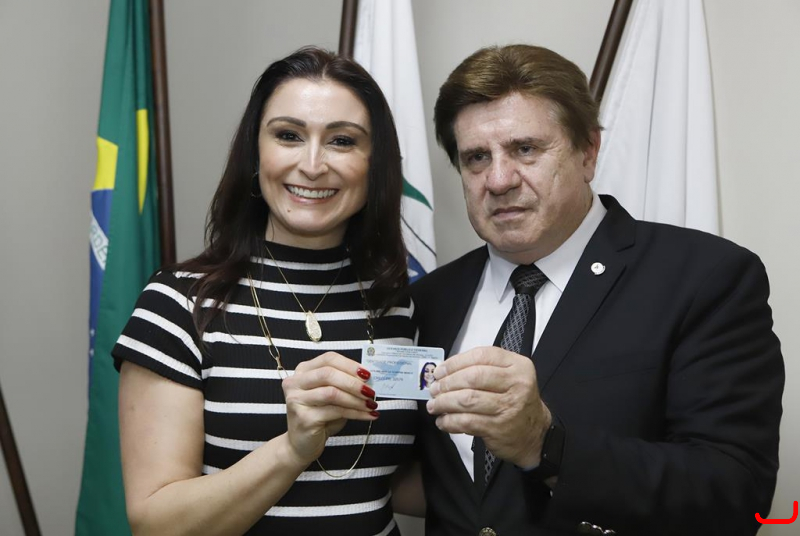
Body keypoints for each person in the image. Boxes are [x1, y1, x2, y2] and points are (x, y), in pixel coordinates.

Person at [411, 44, 784, 536]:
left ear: (588, 152)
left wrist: (545, 445)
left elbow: (737, 494)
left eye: (525, 149)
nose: (498, 180)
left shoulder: (704, 278)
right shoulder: (431, 298)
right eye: (477, 158)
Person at [113, 47, 421, 536]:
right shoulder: (178, 304)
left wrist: (507, 445)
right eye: (288, 135)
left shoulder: (398, 305)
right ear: (255, 154)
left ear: (374, 163)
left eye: (342, 140)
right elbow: (158, 524)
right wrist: (293, 449)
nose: (313, 165)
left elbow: (388, 481)